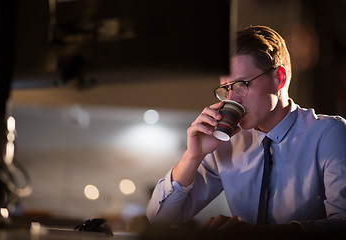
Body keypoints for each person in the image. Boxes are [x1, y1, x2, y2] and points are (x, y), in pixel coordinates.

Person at [146, 25, 346, 235]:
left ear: (280, 78)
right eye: (226, 89)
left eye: (241, 84)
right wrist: (192, 156)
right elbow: (159, 221)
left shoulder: (329, 133)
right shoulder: (228, 143)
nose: (232, 99)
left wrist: (255, 235)